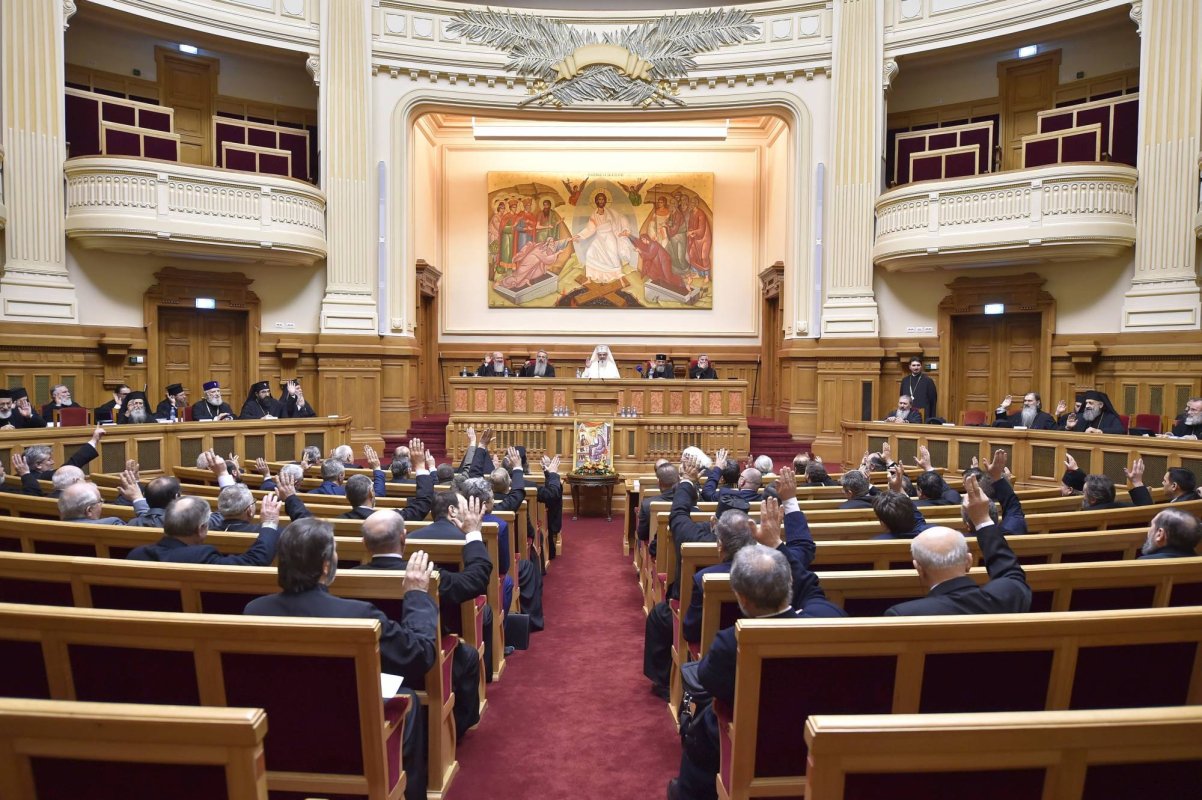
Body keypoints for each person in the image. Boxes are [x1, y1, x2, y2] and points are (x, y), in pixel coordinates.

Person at [244, 518, 437, 800]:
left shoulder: (253, 610)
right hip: (345, 742)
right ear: (325, 566)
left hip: (276, 737)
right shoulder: (359, 615)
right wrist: (417, 596)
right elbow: (419, 656)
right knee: (406, 698)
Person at [355, 504, 487, 740]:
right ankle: (454, 732)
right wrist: (473, 534)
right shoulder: (426, 574)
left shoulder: (347, 578)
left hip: (366, 667)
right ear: (404, 538)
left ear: (364, 543)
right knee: (466, 656)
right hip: (417, 664)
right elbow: (476, 580)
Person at [884, 474, 1031, 616]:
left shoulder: (903, 615)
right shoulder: (1010, 595)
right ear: (969, 561)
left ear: (919, 569)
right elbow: (1011, 573)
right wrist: (983, 520)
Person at [572, 190, 637, 284]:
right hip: (599, 237)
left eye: (603, 199)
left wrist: (625, 229)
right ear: (596, 201)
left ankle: (620, 278)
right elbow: (590, 229)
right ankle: (589, 278)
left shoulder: (611, 212)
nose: (601, 201)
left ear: (605, 201)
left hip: (609, 236)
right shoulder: (594, 215)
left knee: (613, 256)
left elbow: (621, 218)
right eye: (599, 199)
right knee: (590, 253)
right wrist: (579, 236)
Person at [57, 472, 151, 524]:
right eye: (100, 501)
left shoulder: (46, 528)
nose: (102, 503)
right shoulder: (112, 523)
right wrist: (137, 498)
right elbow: (148, 526)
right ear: (89, 510)